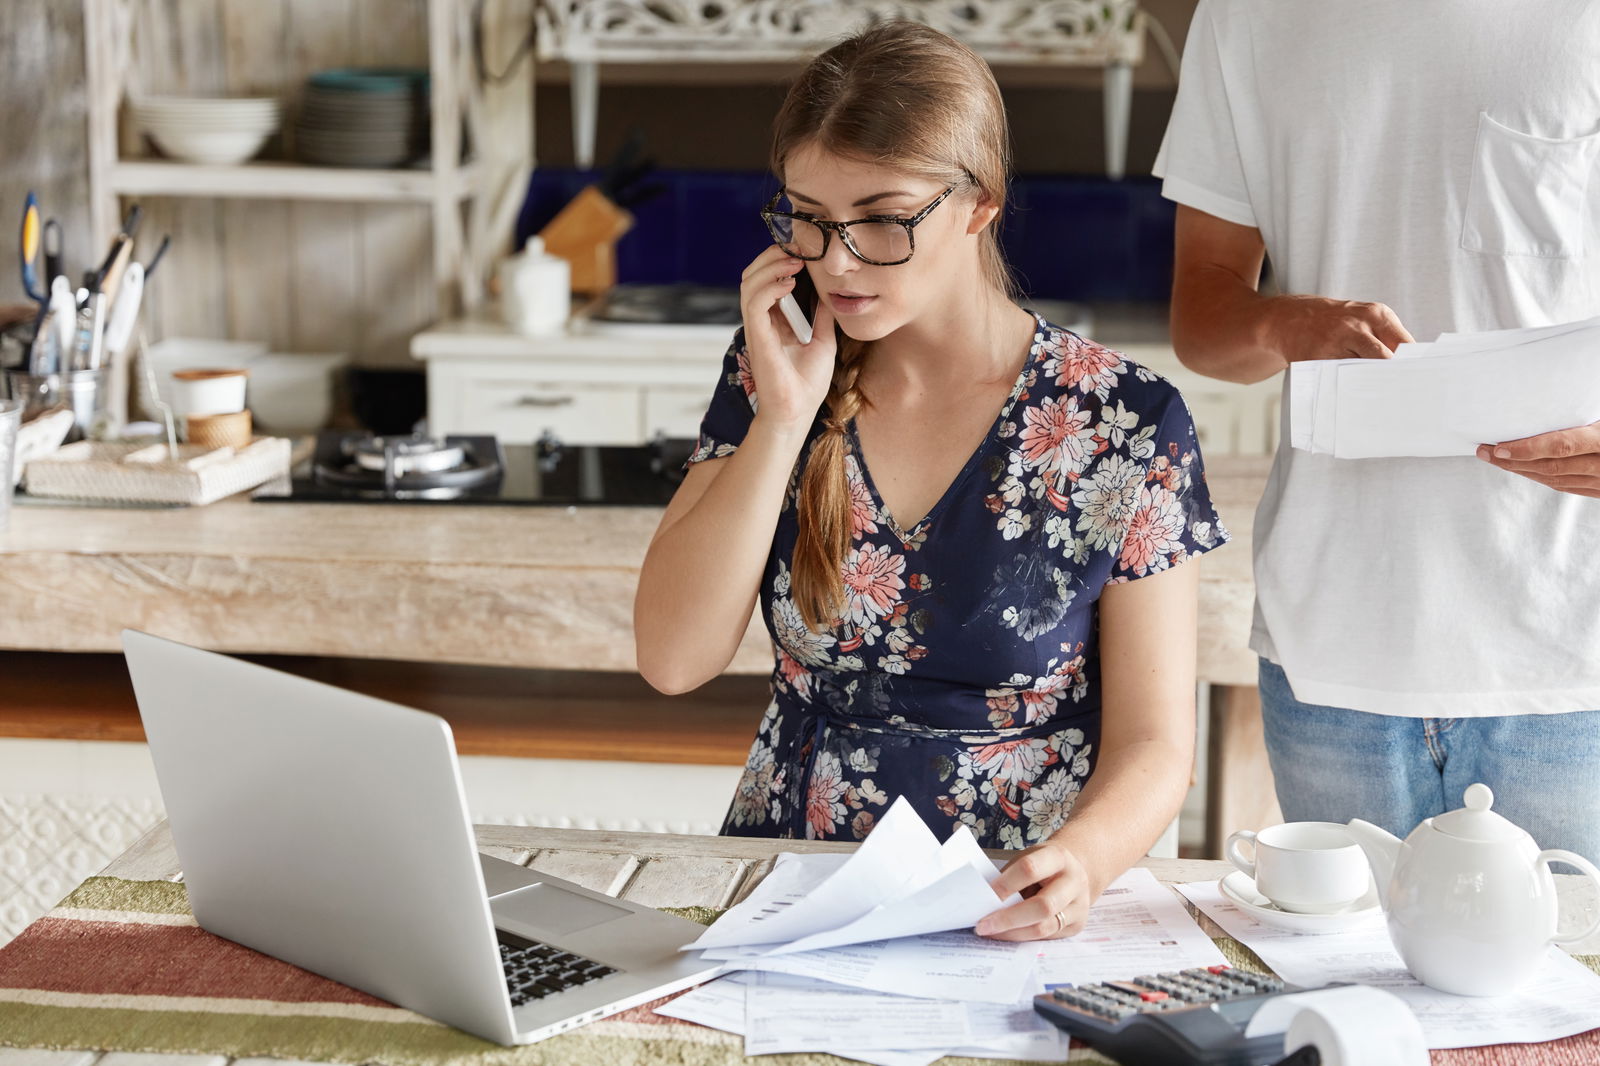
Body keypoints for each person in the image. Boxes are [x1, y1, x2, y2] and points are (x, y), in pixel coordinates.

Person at [634, 21, 1228, 941]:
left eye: (881, 217)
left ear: (978, 203)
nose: (836, 260)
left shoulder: (1127, 423)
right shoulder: (773, 372)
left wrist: (1088, 860)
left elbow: (1156, 745)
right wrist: (784, 418)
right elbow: (674, 660)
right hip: (793, 893)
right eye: (809, 218)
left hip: (1011, 903)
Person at [1156, 0, 1600, 858]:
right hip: (1332, 645)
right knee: (1341, 983)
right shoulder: (1246, 16)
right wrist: (1284, 325)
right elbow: (1203, 315)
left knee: (1575, 990)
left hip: (1567, 657)